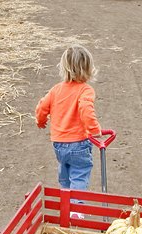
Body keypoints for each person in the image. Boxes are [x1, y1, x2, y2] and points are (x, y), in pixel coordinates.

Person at [35, 45, 101, 195]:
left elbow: (42, 107)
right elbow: (85, 109)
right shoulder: (85, 90)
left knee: (64, 174)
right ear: (89, 68)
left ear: (64, 68)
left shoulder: (56, 89)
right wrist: (94, 130)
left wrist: (41, 121)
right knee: (79, 174)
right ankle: (76, 211)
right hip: (79, 143)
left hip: (59, 144)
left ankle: (67, 203)